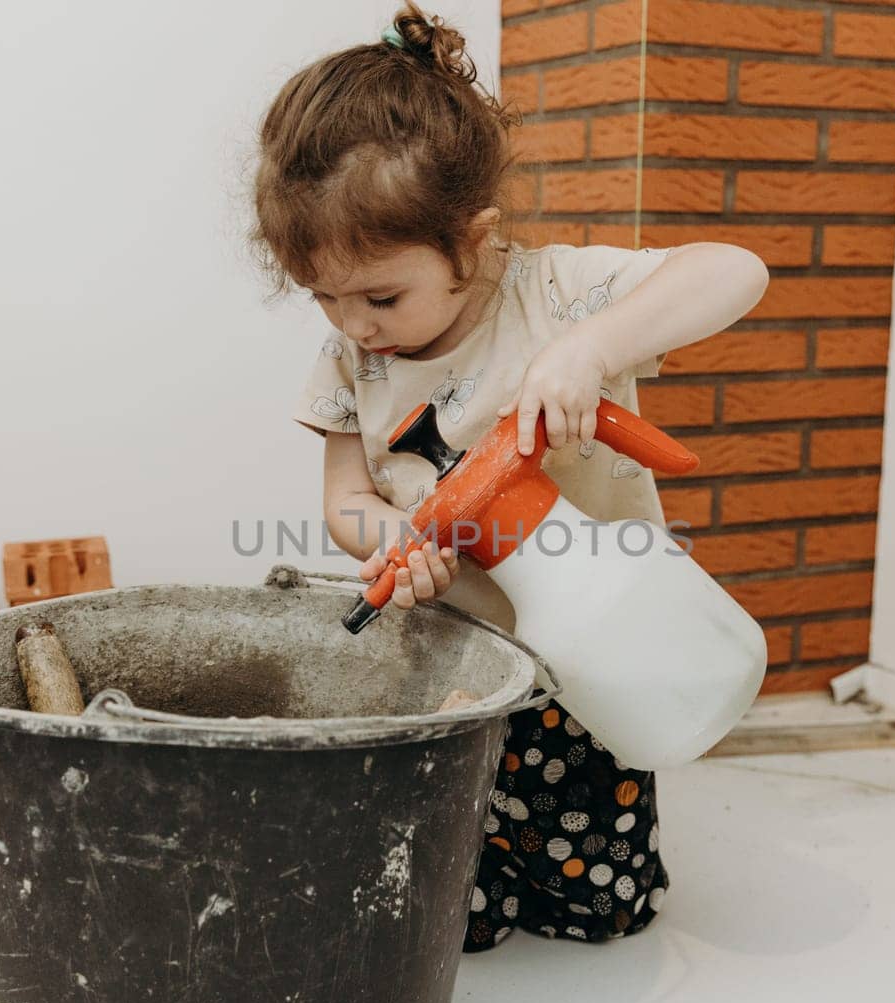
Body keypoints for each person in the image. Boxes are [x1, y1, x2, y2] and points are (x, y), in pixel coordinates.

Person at [253, 3, 769, 951]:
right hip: (458, 648)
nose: (355, 324)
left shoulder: (556, 293)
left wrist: (591, 350)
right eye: (324, 297)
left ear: (472, 238)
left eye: (379, 295)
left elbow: (733, 269)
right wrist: (396, 541)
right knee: (456, 876)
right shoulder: (349, 361)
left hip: (591, 657)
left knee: (601, 893)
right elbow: (344, 501)